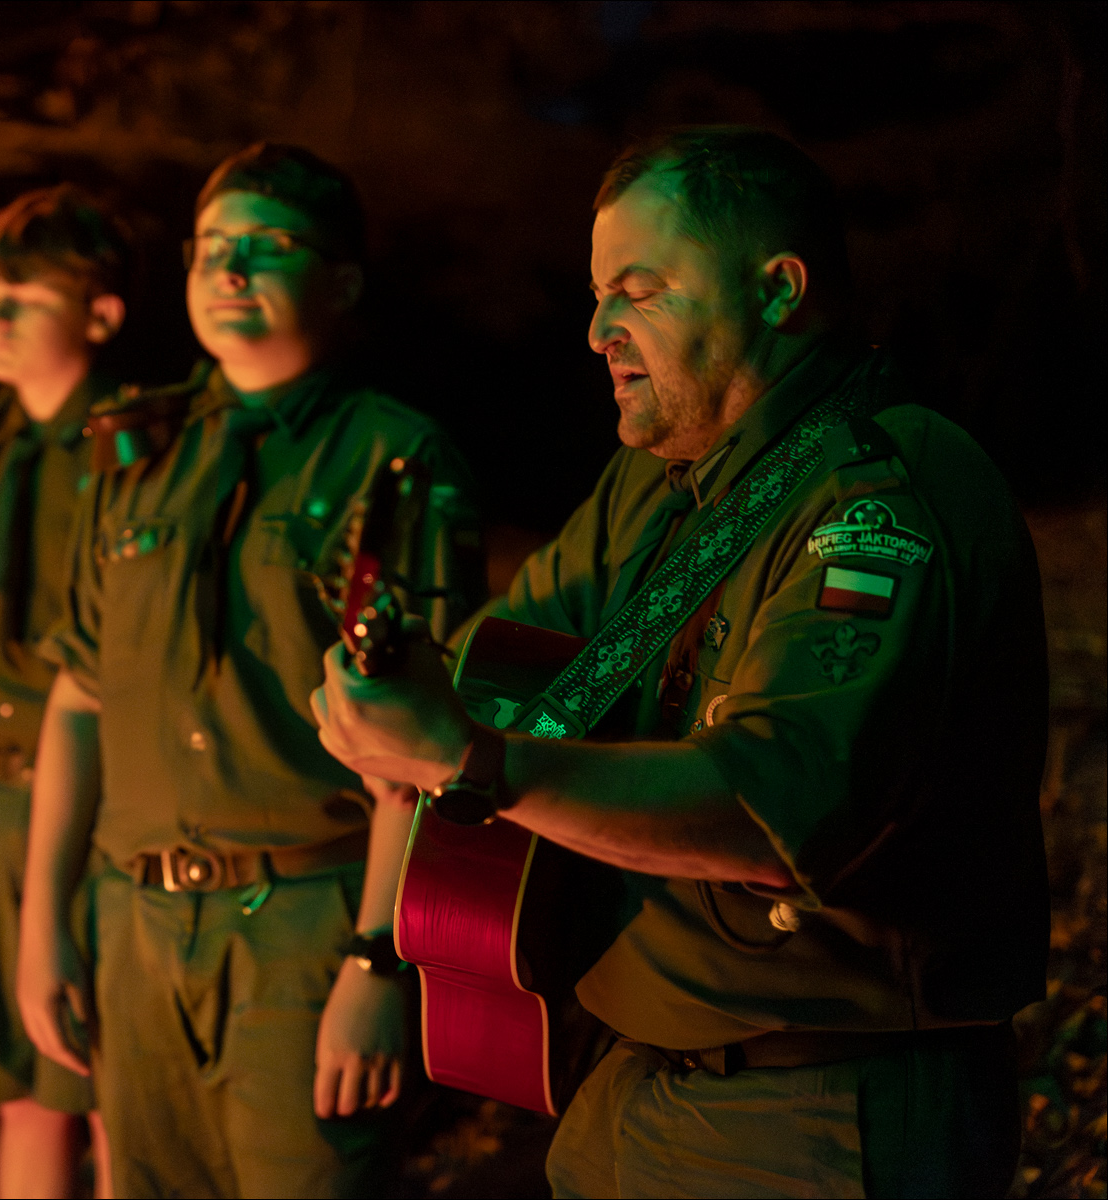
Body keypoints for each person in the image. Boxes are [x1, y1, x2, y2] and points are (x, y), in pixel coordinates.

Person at [313, 125, 1049, 1199]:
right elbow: (503, 660)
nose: (596, 330)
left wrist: (476, 764)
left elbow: (765, 812)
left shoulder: (883, 490)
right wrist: (396, 692)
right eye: (597, 295)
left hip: (815, 1107)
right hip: (634, 1079)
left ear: (779, 290)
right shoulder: (657, 484)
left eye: (640, 291)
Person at [17, 143, 486, 1198]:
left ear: (343, 282)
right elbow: (78, 698)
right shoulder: (136, 453)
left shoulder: (393, 460)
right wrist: (44, 922)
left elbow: (420, 748)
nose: (230, 270)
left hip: (305, 924)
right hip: (135, 920)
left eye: (268, 246)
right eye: (211, 248)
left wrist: (377, 959)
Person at [0, 185, 128, 1199]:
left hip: (100, 797)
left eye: (28, 299)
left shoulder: (135, 450)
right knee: (15, 1078)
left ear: (100, 314)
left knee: (103, 1081)